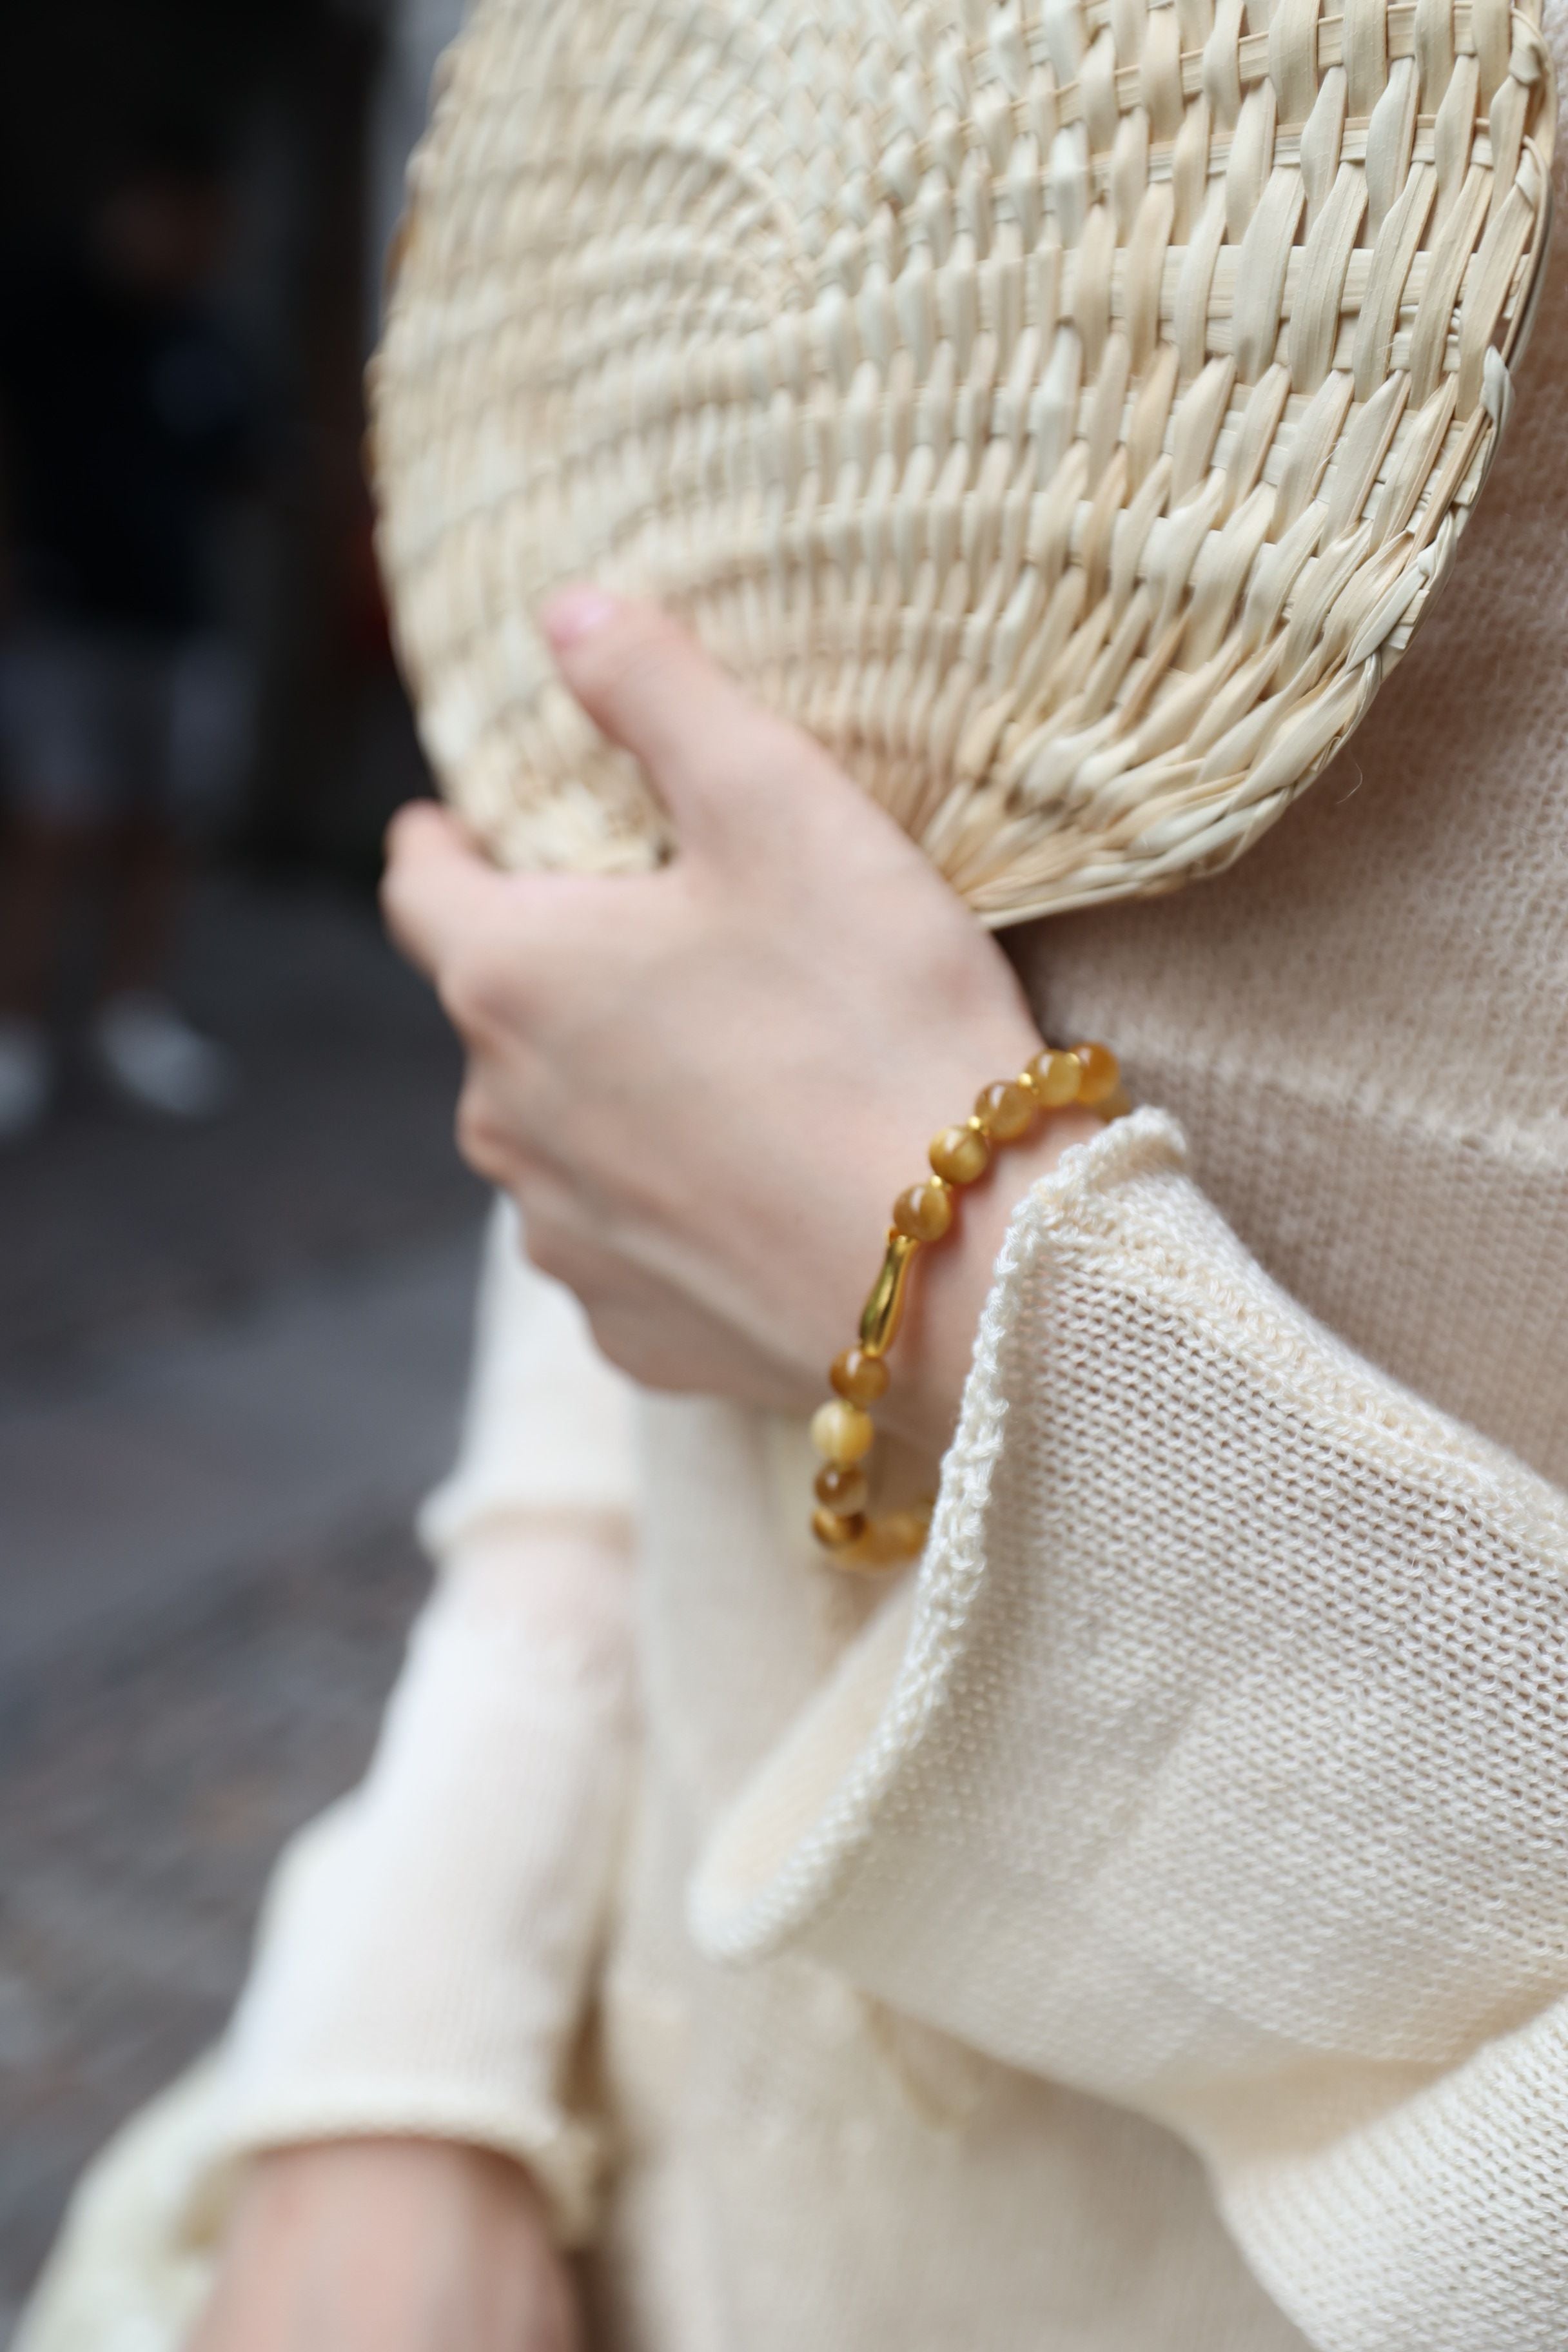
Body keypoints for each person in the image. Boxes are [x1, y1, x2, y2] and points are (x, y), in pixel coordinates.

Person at [19, 21, 1568, 2352]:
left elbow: (805, 1188)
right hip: (678, 2194)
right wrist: (415, 2033)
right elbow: (676, 1112)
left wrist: (969, 1315)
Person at [0, 128, 253, 1142]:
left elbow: (246, 461)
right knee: (54, 825)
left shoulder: (207, 337)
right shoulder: (46, 312)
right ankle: (15, 1030)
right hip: (69, 616)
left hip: (177, 620)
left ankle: (131, 1015)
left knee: (164, 826)